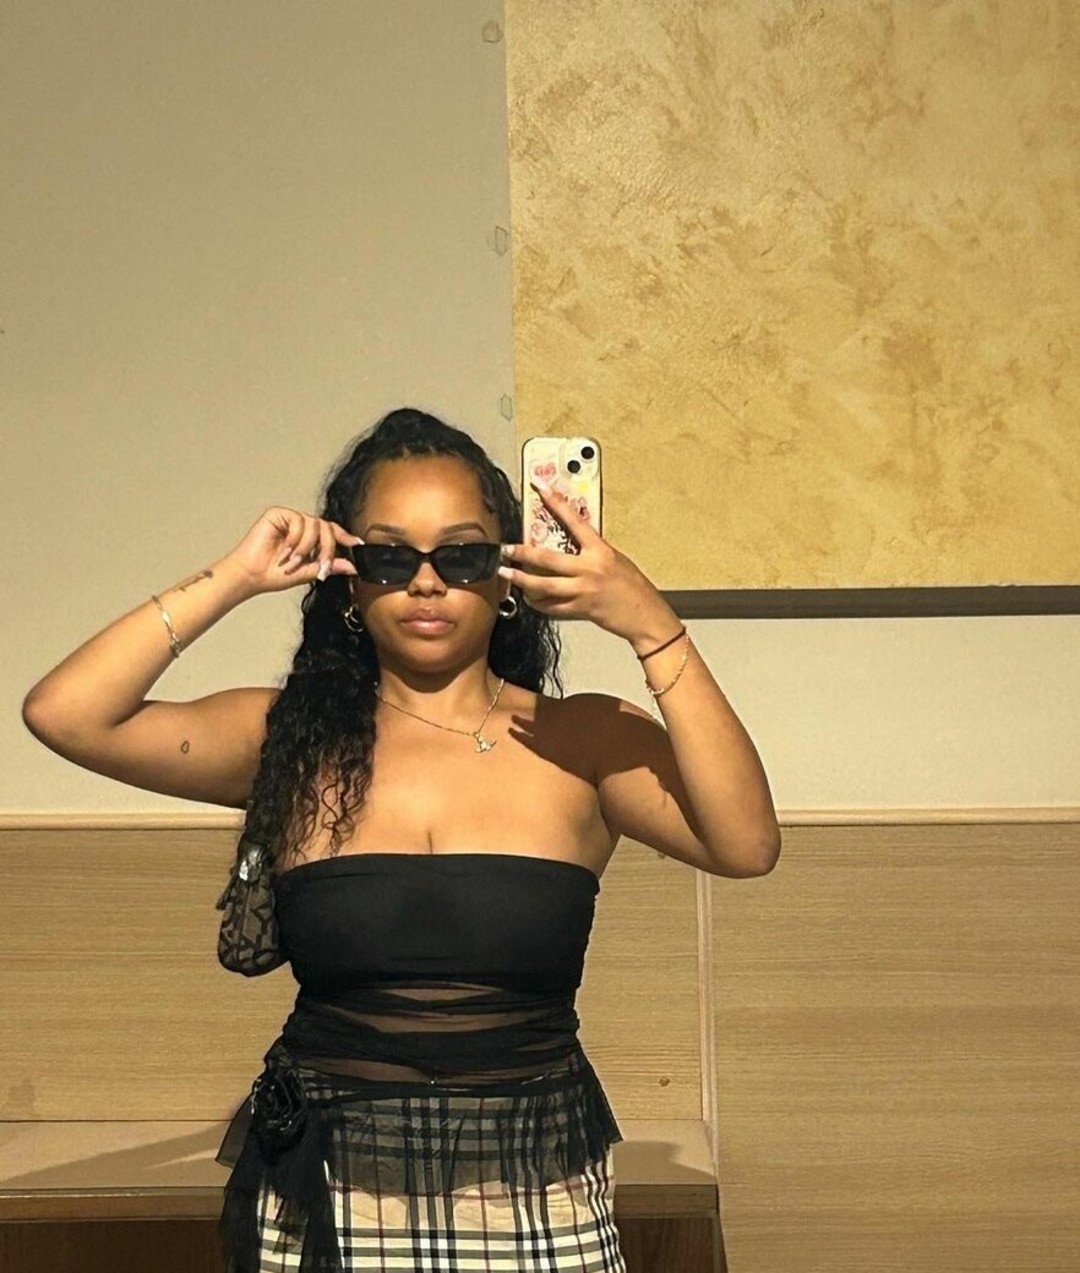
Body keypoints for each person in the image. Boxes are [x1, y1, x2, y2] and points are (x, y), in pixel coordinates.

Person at [21, 407, 780, 1272]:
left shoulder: (585, 739)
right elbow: (65, 713)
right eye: (388, 556)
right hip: (323, 1204)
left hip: (539, 1200)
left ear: (507, 575)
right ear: (349, 579)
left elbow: (746, 843)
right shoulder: (288, 738)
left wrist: (651, 622)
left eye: (461, 556)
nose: (426, 582)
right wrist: (235, 576)